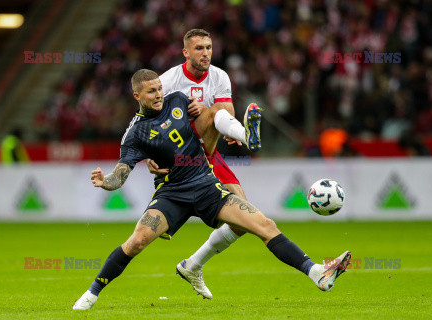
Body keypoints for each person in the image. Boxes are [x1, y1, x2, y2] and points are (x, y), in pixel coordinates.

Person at [72, 69, 351, 310]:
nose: (158, 94)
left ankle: (317, 273)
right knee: (137, 242)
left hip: (206, 185)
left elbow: (203, 121)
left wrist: (213, 120)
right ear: (137, 96)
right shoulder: (135, 133)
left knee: (264, 224)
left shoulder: (178, 100)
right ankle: (91, 293)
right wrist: (106, 181)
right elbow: (121, 173)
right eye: (151, 92)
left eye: (159, 89)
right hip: (171, 195)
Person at [148, 28, 259, 299]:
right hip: (178, 155)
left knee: (244, 219)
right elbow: (148, 121)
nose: (206, 53)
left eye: (209, 47)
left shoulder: (219, 75)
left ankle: (192, 265)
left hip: (207, 153)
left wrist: (226, 124)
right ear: (186, 52)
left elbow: (226, 110)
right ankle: (245, 134)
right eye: (199, 48)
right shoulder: (168, 80)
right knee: (149, 232)